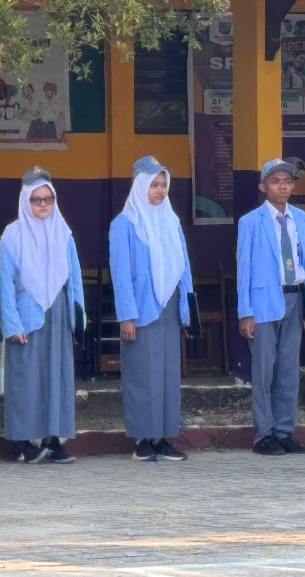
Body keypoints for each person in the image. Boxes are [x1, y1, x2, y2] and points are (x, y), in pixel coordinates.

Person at [108, 155, 193, 462]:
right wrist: (127, 316)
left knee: (168, 375)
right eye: (153, 185)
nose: (159, 191)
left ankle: (163, 437)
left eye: (163, 184)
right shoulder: (124, 225)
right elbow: (121, 274)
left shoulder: (171, 221)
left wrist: (187, 308)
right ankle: (143, 439)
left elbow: (184, 268)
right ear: (140, 186)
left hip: (169, 308)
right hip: (142, 311)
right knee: (142, 376)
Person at [0, 166, 85, 464]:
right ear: (26, 201)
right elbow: (5, 285)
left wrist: (78, 321)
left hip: (58, 314)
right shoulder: (12, 235)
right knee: (25, 378)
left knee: (56, 376)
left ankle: (54, 440)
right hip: (26, 314)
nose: (43, 204)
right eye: (37, 200)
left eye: (48, 198)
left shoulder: (64, 232)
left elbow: (74, 280)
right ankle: (23, 442)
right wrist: (11, 324)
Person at [237, 158, 305, 456]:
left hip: (295, 297)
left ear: (293, 186)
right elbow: (243, 268)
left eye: (287, 181)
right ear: (263, 186)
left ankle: (285, 430)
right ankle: (264, 434)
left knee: (288, 369)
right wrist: (245, 310)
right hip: (262, 303)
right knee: (263, 371)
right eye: (275, 181)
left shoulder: (302, 219)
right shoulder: (251, 222)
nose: (282, 187)